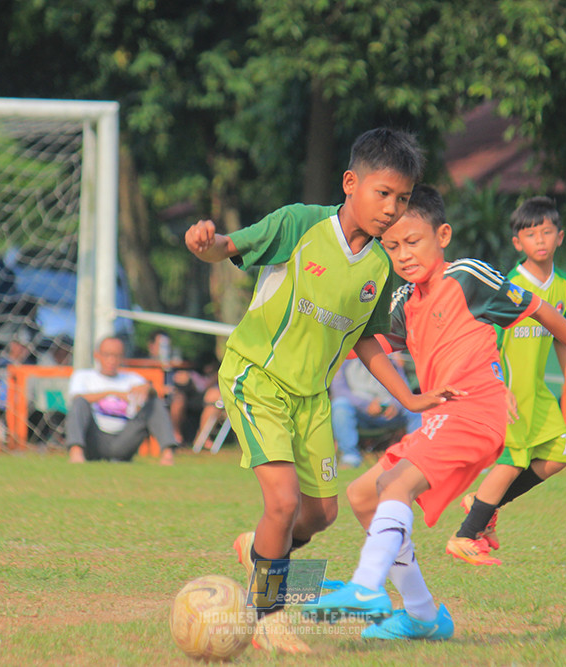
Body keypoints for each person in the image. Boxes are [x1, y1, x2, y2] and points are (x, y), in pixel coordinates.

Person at [300, 185, 566, 641]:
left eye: (413, 242)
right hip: (439, 418)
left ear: (443, 235)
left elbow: (545, 314)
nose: (403, 255)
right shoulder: (404, 302)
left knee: (395, 487)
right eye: (392, 247)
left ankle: (365, 589)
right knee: (362, 496)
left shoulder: (468, 277)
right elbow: (366, 343)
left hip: (477, 411)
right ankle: (422, 615)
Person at [184, 128, 453, 654]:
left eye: (402, 199)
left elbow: (370, 344)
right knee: (282, 503)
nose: (392, 209)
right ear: (351, 183)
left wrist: (412, 397)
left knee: (319, 515)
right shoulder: (300, 224)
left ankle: (261, 560)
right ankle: (268, 617)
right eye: (384, 194)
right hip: (255, 377)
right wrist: (206, 245)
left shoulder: (381, 264)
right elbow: (229, 246)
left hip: (311, 400)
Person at [446, 195, 566, 566]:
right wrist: (498, 388)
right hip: (507, 392)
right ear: (517, 243)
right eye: (530, 234)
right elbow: (488, 341)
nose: (540, 240)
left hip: (538, 392)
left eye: (546, 232)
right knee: (514, 460)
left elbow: (564, 339)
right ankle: (465, 534)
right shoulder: (506, 286)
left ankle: (484, 504)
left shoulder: (565, 287)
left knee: (558, 457)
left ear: (560, 237)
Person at [65, 336, 178, 466]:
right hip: (94, 437)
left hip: (125, 438)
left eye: (116, 356)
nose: (111, 360)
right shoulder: (83, 376)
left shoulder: (133, 379)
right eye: (107, 355)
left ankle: (168, 454)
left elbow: (150, 399)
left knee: (155, 403)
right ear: (97, 355)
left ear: (122, 357)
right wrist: (112, 392)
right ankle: (76, 453)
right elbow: (77, 398)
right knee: (79, 403)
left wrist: (148, 388)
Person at [330, 356, 422, 468]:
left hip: (389, 412)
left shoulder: (391, 357)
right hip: (361, 413)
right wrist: (365, 405)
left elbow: (406, 391)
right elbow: (339, 391)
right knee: (340, 405)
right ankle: (350, 457)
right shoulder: (344, 358)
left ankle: (416, 454)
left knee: (416, 408)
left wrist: (396, 405)